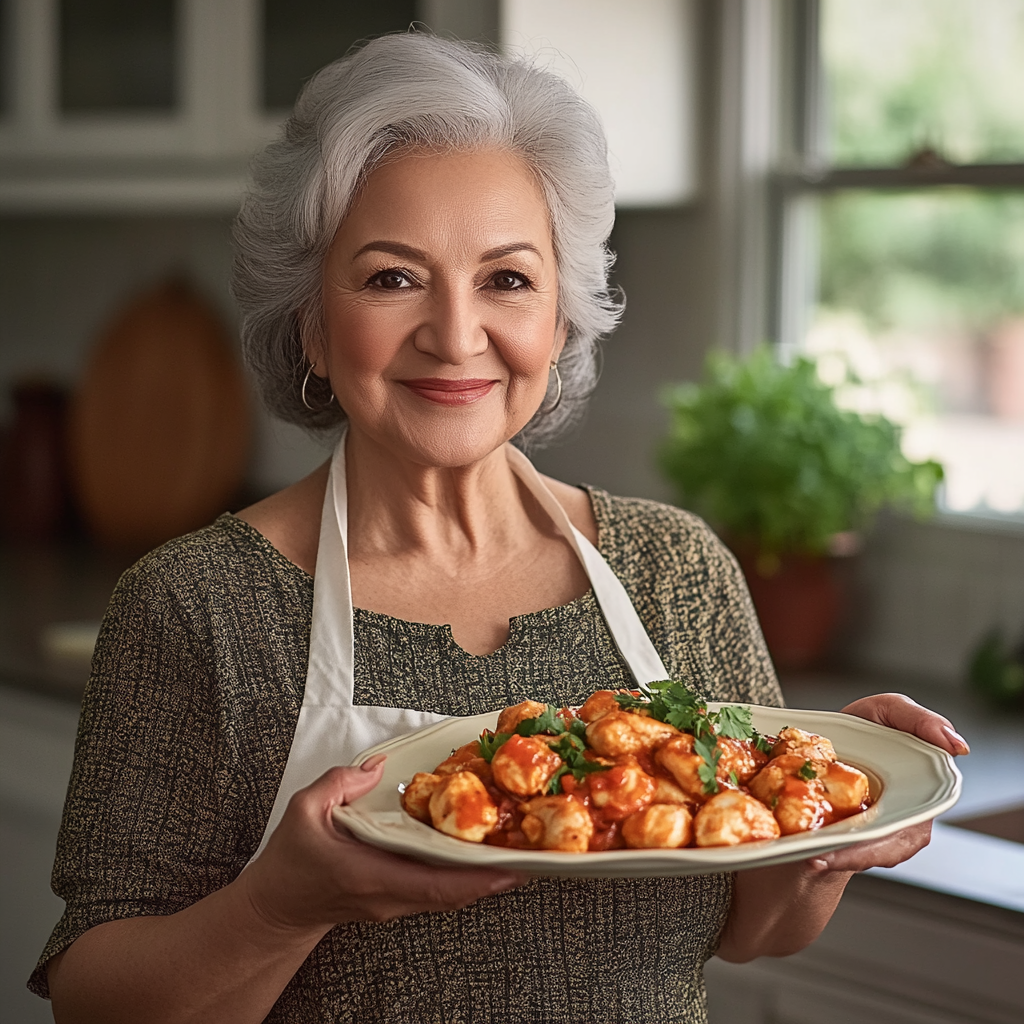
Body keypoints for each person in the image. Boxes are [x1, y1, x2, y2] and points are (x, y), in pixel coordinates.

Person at [32, 32, 969, 1024]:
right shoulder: (197, 604)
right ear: (309, 321)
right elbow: (96, 1000)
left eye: (507, 279)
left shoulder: (673, 567)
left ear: (559, 318)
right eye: (392, 277)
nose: (454, 333)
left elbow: (754, 927)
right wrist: (282, 903)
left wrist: (829, 822)